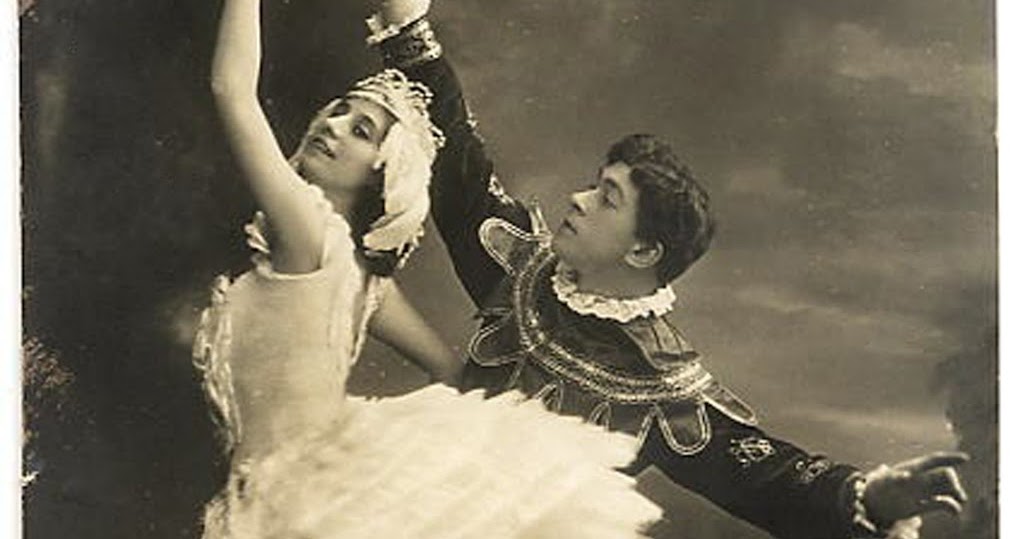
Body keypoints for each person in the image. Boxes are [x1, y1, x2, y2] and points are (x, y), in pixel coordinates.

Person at [366, 1, 969, 538]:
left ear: (643, 252)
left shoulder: (662, 388)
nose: (577, 199)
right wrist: (408, 25)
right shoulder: (522, 266)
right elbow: (461, 167)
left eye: (607, 198)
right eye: (594, 184)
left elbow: (769, 476)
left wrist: (870, 497)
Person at [190, 0, 663, 537]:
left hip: (297, 507)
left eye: (361, 131)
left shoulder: (309, 232)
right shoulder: (363, 280)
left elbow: (232, 91)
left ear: (382, 174)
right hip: (308, 493)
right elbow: (451, 372)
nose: (334, 126)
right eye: (339, 111)